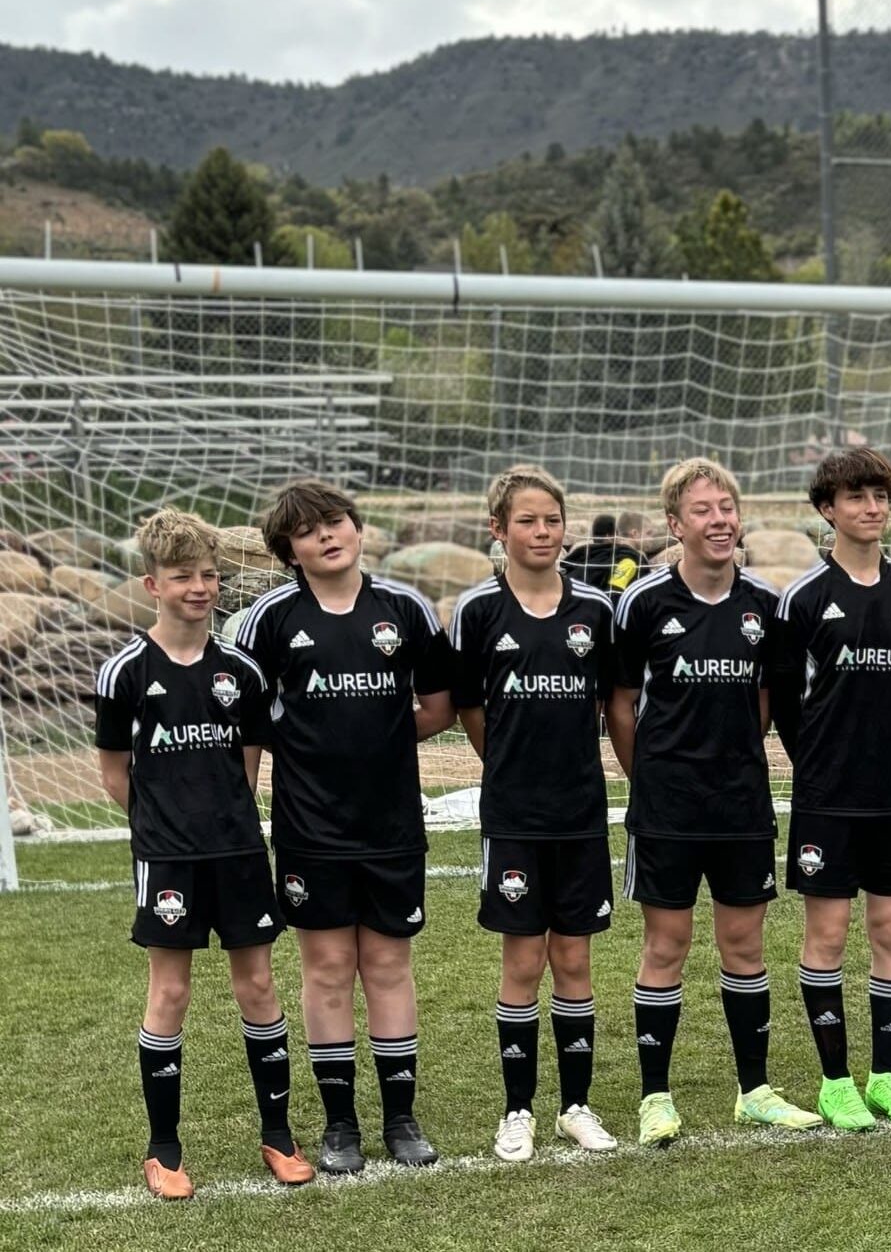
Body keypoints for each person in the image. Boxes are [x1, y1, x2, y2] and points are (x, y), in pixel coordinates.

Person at [237, 478, 454, 1173]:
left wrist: (382, 742)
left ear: (358, 528)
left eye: (336, 521)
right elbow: (242, 718)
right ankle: (339, 1126)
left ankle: (400, 1118)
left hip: (391, 823)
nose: (326, 535)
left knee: (388, 964)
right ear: (289, 550)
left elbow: (440, 702)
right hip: (310, 828)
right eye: (308, 530)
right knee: (328, 967)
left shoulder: (405, 608)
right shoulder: (267, 619)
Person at [95, 509, 314, 1199]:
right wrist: (165, 828)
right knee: (171, 989)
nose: (200, 587)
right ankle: (163, 1149)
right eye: (184, 575)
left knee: (257, 985)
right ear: (152, 583)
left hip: (238, 850)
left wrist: (221, 820)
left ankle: (278, 1134)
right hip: (167, 858)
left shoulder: (242, 671)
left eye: (210, 574)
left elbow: (246, 766)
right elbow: (113, 774)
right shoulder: (124, 671)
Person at [610, 458, 822, 1140]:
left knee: (744, 943)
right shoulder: (643, 603)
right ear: (675, 524)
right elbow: (620, 702)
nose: (720, 519)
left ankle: (754, 1088)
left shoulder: (763, 605)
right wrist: (649, 776)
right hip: (667, 806)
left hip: (740, 804)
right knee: (665, 943)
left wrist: (731, 760)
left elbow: (763, 701)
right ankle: (655, 1097)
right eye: (703, 509)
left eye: (727, 506)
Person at [450, 466, 622, 1162]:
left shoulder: (595, 611)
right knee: (522, 961)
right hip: (515, 816)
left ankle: (574, 1105)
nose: (543, 531)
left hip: (581, 813)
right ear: (499, 530)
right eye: (527, 520)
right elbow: (470, 708)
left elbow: (613, 704)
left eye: (552, 518)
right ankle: (516, 1109)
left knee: (574, 958)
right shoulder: (478, 611)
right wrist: (512, 765)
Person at [770, 448, 891, 1131]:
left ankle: (885, 1078)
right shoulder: (803, 599)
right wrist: (822, 767)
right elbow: (785, 705)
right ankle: (835, 1081)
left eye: (881, 496)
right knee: (829, 932)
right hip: (827, 798)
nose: (872, 507)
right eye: (857, 496)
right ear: (827, 508)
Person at [562, 511, 652, 594]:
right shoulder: (629, 560)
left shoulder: (590, 552)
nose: (652, 538)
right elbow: (615, 592)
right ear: (635, 533)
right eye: (649, 533)